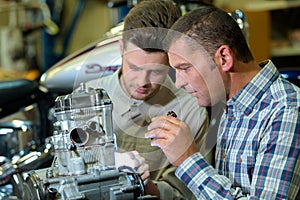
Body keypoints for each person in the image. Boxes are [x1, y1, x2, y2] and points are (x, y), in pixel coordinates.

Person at [146, 5, 300, 199]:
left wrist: (187, 160)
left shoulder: (285, 111)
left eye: (185, 68)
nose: (178, 83)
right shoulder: (230, 104)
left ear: (224, 58)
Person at [85, 0, 211, 199]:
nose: (142, 82)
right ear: (121, 48)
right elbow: (61, 169)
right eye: (134, 68)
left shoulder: (190, 108)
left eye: (156, 72)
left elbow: (192, 194)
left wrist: (145, 184)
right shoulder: (88, 97)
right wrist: (104, 161)